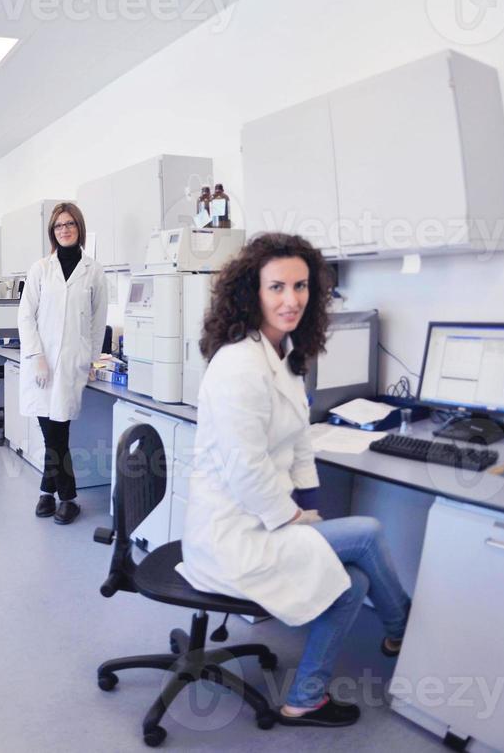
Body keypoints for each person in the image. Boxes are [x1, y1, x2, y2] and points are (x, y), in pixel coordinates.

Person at [177, 233, 411, 727]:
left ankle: (304, 698)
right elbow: (246, 469)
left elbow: (299, 438)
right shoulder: (240, 365)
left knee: (353, 582)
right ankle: (402, 626)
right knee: (366, 534)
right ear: (252, 292)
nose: (292, 299)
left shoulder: (281, 354)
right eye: (277, 287)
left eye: (301, 286)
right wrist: (294, 516)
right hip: (234, 535)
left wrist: (307, 498)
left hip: (262, 517)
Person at [17, 202, 107, 525]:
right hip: (41, 366)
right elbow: (25, 316)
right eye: (58, 225)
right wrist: (36, 357)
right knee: (54, 435)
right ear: (52, 232)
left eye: (69, 224)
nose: (64, 229)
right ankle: (66, 497)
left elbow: (98, 321)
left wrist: (92, 359)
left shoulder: (94, 271)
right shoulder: (40, 269)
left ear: (79, 227)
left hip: (72, 366)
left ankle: (48, 492)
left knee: (58, 433)